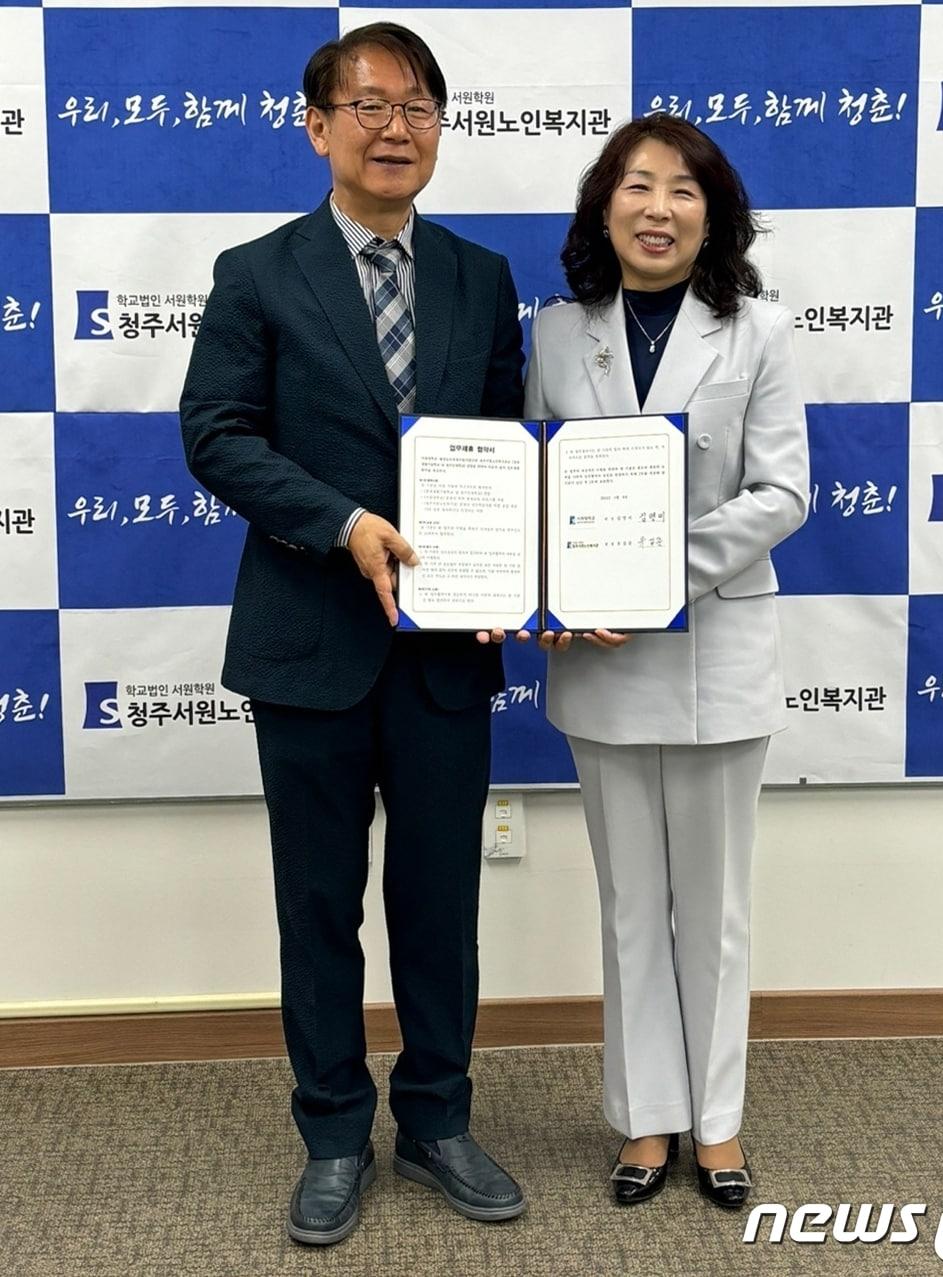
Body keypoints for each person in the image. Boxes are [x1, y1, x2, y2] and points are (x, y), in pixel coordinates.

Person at [180, 23, 526, 1245]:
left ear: (441, 127)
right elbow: (217, 434)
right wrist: (342, 523)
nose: (397, 127)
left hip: (440, 652)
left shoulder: (484, 278)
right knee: (319, 904)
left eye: (420, 106)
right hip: (309, 643)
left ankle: (437, 1117)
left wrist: (518, 560)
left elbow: (501, 452)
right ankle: (333, 1129)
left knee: (440, 903)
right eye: (369, 105)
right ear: (317, 125)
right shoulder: (257, 271)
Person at [523, 115, 809, 1208]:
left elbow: (783, 492)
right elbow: (538, 486)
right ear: (605, 206)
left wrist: (649, 573)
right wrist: (542, 585)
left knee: (718, 904)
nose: (658, 208)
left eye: (683, 190)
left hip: (717, 645)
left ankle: (720, 1124)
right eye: (637, 187)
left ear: (714, 214)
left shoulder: (761, 331)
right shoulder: (557, 331)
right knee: (631, 902)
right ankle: (647, 1118)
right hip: (598, 659)